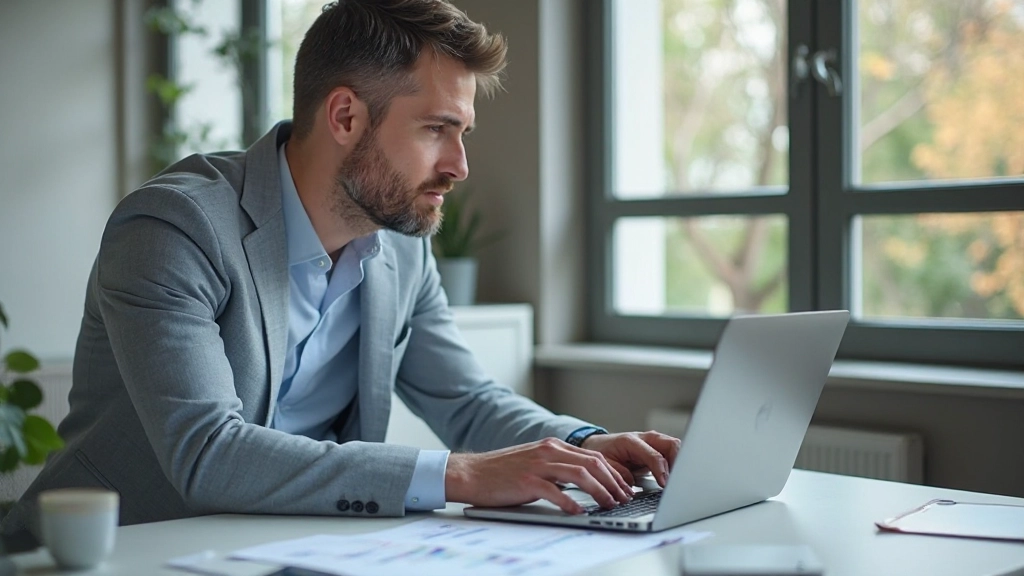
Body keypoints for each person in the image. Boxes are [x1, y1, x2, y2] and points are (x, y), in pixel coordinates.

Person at [1, 0, 679, 545]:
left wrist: (587, 445)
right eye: (435, 129)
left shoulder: (402, 249)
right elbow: (208, 453)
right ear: (346, 116)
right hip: (112, 553)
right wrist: (462, 475)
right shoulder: (173, 229)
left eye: (462, 132)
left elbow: (467, 400)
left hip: (284, 549)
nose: (459, 166)